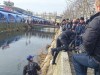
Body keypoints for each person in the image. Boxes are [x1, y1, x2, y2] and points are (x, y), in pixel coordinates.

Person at [72, 0, 100, 75]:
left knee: (75, 58)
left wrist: (89, 53)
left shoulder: (97, 20)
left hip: (97, 59)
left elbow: (87, 41)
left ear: (98, 7)